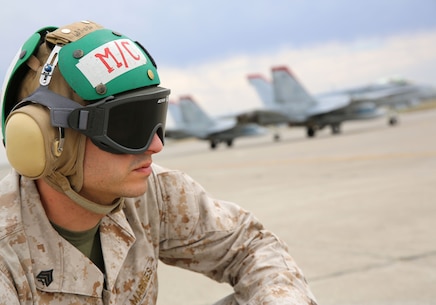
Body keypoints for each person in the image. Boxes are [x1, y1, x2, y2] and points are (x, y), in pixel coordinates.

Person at [0, 20, 317, 305]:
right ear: (47, 139)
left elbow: (250, 246)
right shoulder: (6, 254)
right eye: (130, 125)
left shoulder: (155, 194)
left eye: (156, 117)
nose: (156, 145)